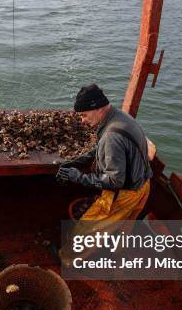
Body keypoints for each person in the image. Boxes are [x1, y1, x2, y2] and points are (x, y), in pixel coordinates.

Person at [56, 84, 154, 221]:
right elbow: (110, 149)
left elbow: (115, 181)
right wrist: (76, 162)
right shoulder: (120, 117)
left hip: (125, 195)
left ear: (98, 108)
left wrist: (77, 177)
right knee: (124, 226)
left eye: (84, 115)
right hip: (143, 185)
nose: (82, 120)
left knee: (85, 233)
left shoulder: (111, 136)